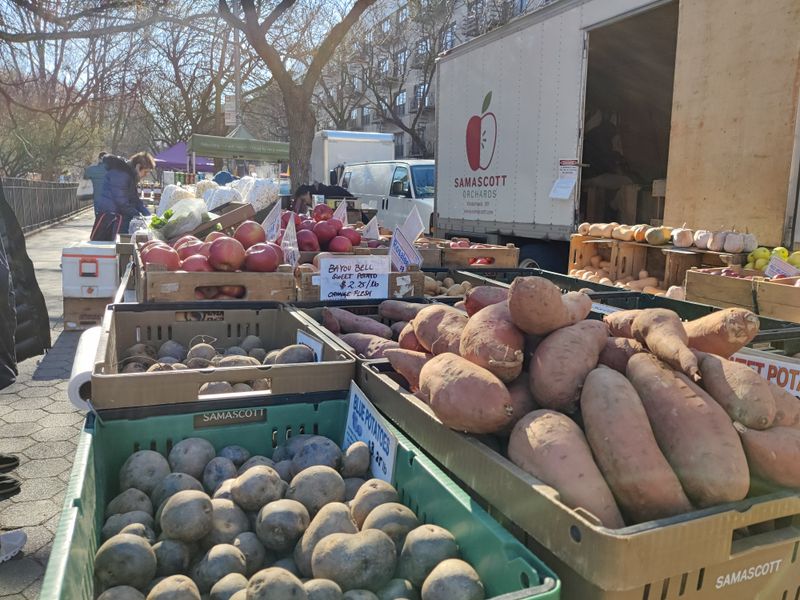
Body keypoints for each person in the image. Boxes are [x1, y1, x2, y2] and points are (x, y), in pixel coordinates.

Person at [91, 151, 154, 241]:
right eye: (146, 172)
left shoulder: (129, 174)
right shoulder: (121, 174)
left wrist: (147, 215)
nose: (146, 175)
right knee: (114, 246)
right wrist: (139, 215)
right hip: (111, 218)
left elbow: (135, 199)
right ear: (138, 167)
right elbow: (122, 203)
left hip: (118, 216)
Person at [84, 152, 108, 216]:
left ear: (99, 159)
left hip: (98, 198)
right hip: (111, 199)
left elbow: (85, 177)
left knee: (98, 219)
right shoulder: (112, 170)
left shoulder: (91, 170)